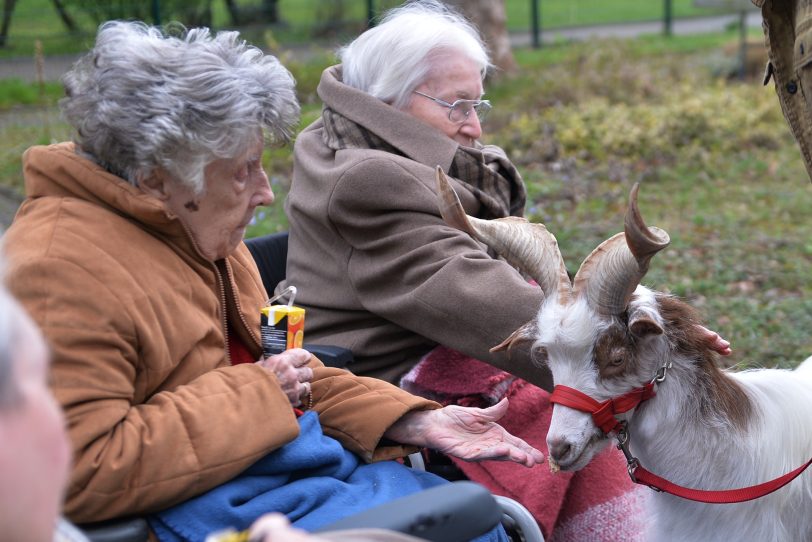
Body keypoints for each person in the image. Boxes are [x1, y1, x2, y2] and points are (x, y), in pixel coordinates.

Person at [1, 20, 543, 540]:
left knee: (473, 517)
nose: (265, 192)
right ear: (155, 177)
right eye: (243, 170)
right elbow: (78, 472)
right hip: (205, 512)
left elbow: (290, 375)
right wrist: (261, 391)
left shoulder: (198, 230)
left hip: (274, 475)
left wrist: (410, 419)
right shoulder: (59, 272)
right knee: (464, 524)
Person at [280, 0, 730, 389]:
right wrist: (634, 341)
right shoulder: (368, 181)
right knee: (598, 429)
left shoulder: (358, 136)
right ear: (385, 100)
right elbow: (473, 293)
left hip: (432, 341)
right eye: (458, 105)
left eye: (478, 105)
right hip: (385, 376)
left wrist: (633, 307)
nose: (475, 127)